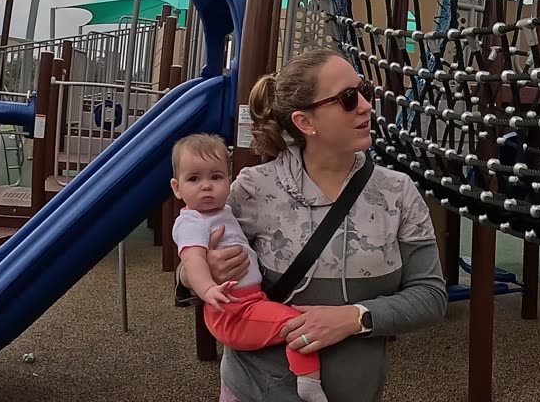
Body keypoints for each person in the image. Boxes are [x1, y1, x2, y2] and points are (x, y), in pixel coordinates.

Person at [180, 48, 448, 402]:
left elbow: (430, 296)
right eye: (349, 98)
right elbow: (190, 267)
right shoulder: (252, 188)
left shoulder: (397, 193)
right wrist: (199, 271)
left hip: (355, 390)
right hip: (256, 388)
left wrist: (356, 317)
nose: (367, 105)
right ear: (306, 123)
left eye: (364, 90)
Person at [171, 133, 328, 402]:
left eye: (216, 177)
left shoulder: (223, 212)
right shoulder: (192, 222)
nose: (206, 186)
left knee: (292, 322)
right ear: (177, 188)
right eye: (194, 179)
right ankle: (308, 380)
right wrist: (208, 290)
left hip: (249, 300)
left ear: (228, 182)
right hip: (232, 307)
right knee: (298, 325)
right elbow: (193, 260)